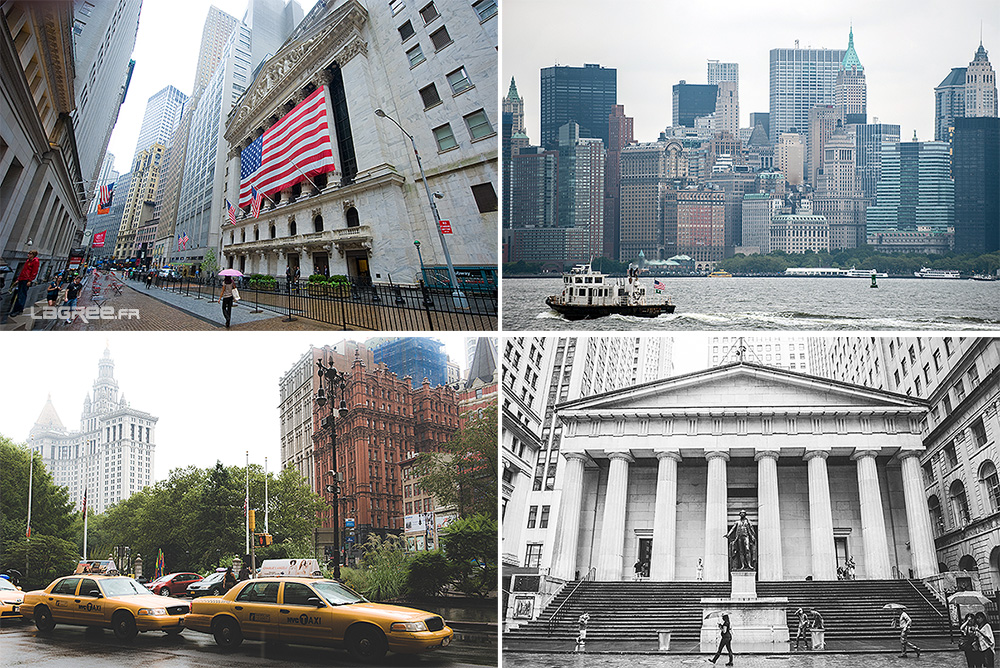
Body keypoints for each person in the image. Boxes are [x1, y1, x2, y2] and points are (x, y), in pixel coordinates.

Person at [8, 249, 39, 317]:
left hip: (26, 279)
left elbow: (34, 272)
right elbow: (23, 270)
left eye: (30, 254)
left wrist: (30, 280)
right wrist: (18, 279)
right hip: (22, 278)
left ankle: (18, 310)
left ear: (33, 255)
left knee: (22, 295)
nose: (28, 255)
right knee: (19, 294)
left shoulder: (35, 261)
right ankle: (16, 309)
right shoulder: (28, 261)